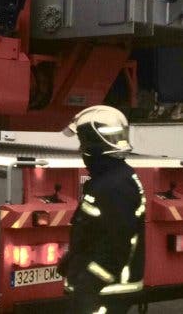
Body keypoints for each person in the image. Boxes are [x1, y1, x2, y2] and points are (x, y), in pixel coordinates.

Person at [58, 105, 145, 314]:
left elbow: (117, 244)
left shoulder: (114, 186)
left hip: (104, 293)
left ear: (93, 144)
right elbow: (98, 232)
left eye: (83, 142)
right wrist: (72, 260)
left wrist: (89, 285)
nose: (81, 150)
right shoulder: (113, 179)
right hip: (103, 292)